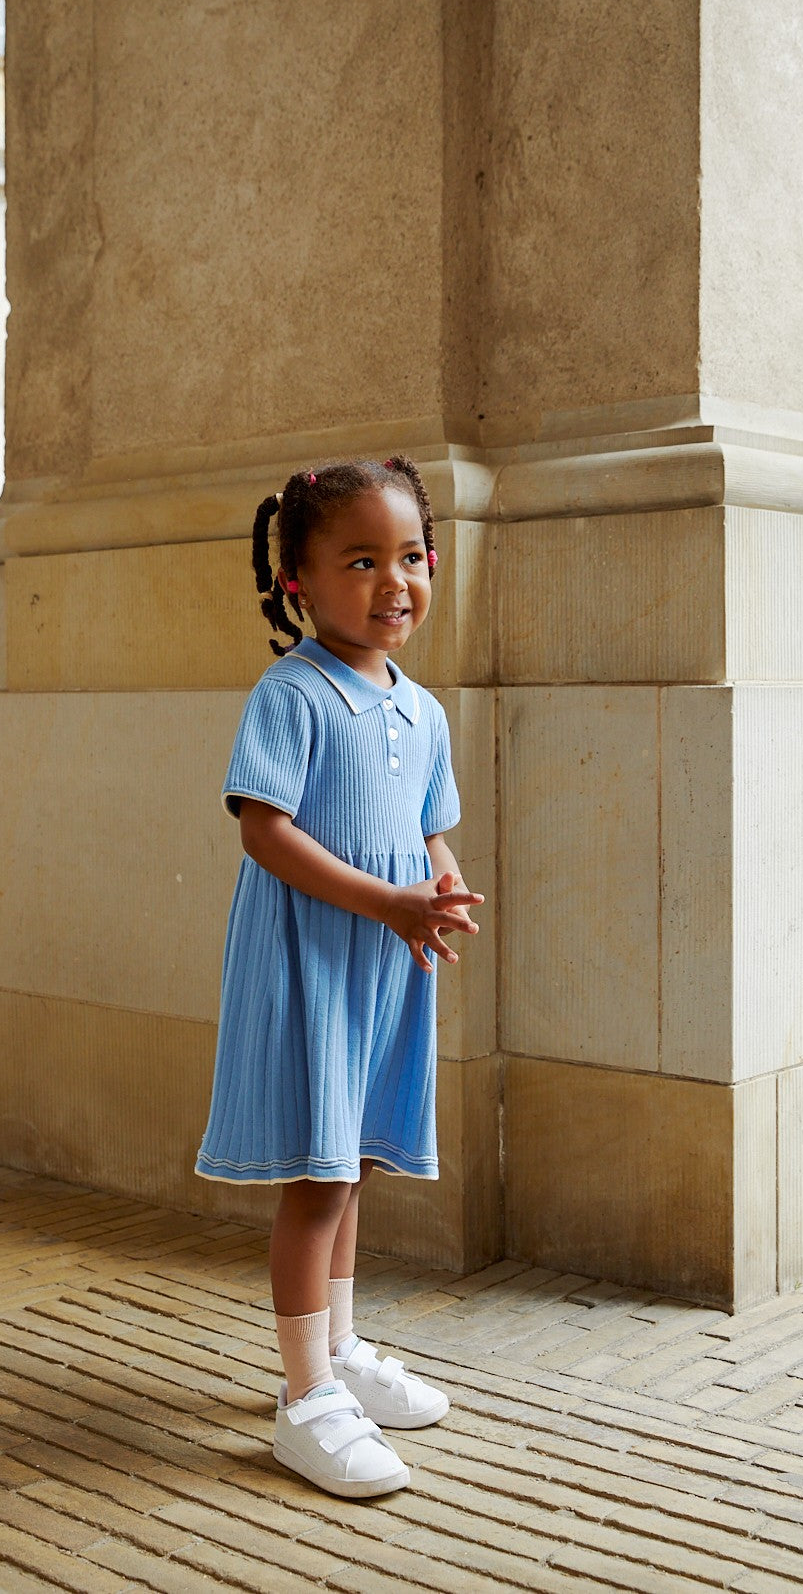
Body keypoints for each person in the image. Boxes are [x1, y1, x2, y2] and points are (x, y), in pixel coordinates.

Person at [195, 455, 483, 1499]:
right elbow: (265, 834)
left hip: (387, 965)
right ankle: (303, 1394)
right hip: (315, 962)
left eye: (410, 556)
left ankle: (343, 1344)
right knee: (318, 1178)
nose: (395, 581)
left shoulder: (425, 709)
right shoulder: (292, 695)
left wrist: (439, 890)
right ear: (299, 583)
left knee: (354, 1159)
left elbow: (427, 833)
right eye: (362, 560)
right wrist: (391, 901)